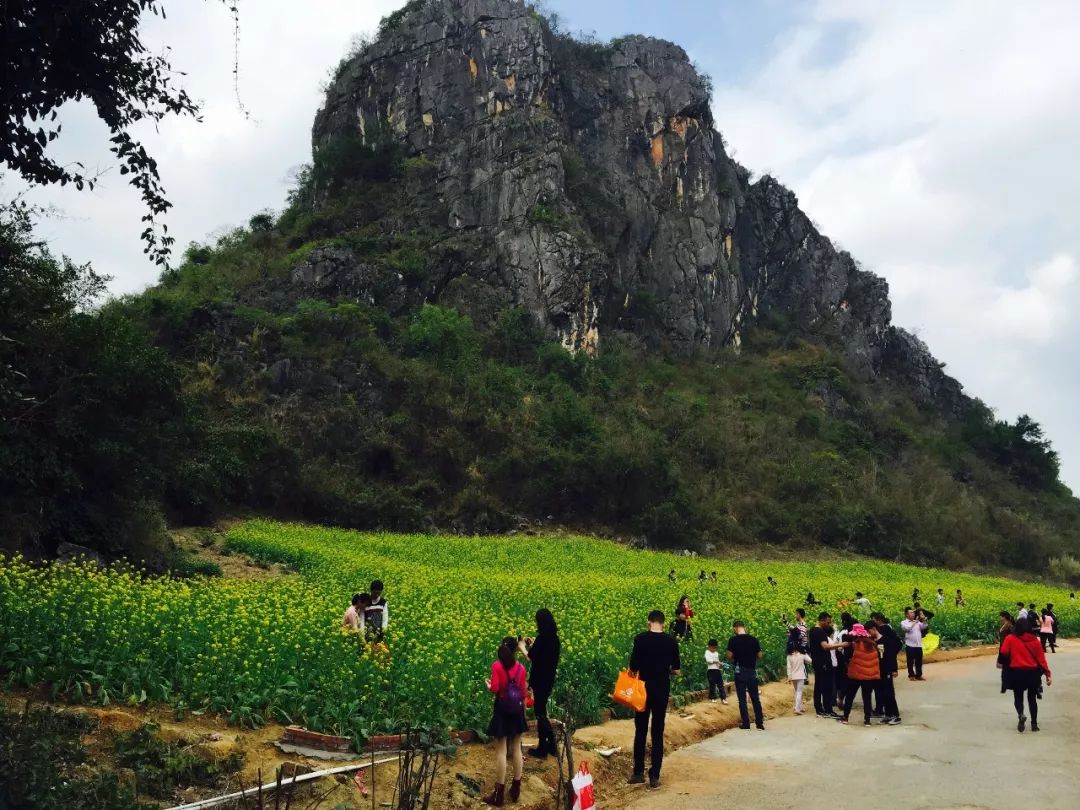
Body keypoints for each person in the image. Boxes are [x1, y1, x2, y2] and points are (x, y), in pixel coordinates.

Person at [628, 610, 681, 789]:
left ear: (648, 622)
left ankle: (638, 773)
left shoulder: (640, 639)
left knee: (640, 730)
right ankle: (655, 776)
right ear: (663, 623)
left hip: (642, 690)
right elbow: (676, 669)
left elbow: (633, 666)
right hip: (661, 690)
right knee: (657, 731)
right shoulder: (671, 641)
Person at [483, 637, 527, 806]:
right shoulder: (521, 668)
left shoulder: (497, 666)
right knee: (516, 748)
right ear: (516, 650)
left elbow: (495, 688)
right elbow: (523, 693)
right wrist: (524, 713)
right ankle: (516, 789)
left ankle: (498, 794)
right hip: (516, 712)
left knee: (501, 751)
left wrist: (489, 685)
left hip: (502, 711)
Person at [1000, 618, 1052, 732]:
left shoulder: (1010, 639)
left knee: (1018, 697)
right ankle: (1034, 724)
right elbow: (1041, 660)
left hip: (1016, 673)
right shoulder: (1035, 641)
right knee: (1032, 698)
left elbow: (1003, 653)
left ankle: (1021, 715)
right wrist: (1048, 674)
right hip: (1032, 674)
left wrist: (1004, 664)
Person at [520, 608, 560, 759]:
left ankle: (546, 746)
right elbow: (542, 654)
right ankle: (549, 745)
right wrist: (533, 643)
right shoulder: (554, 638)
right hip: (549, 679)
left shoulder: (543, 638)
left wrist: (523, 646)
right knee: (541, 711)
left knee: (540, 713)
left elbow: (531, 656)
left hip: (539, 680)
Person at [726, 621, 764, 730]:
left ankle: (746, 724)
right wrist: (751, 658)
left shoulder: (733, 640)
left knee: (742, 699)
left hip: (740, 671)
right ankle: (759, 723)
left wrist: (735, 657)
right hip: (751, 671)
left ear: (735, 628)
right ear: (744, 627)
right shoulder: (753, 639)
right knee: (755, 698)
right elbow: (760, 655)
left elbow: (729, 655)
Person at [839, 624, 878, 725]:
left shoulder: (853, 645)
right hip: (868, 676)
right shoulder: (872, 644)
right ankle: (867, 720)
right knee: (867, 698)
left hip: (855, 675)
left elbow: (847, 658)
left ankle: (845, 717)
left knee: (850, 696)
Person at [808, 612, 844, 718]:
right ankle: (828, 710)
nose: (829, 624)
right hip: (823, 663)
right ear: (822, 620)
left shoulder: (813, 630)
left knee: (818, 686)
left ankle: (819, 709)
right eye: (828, 622)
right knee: (827, 687)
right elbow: (825, 646)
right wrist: (841, 644)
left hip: (817, 662)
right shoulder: (820, 632)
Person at [870, 613, 902, 724]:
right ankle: (888, 715)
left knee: (889, 693)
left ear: (874, 629)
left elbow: (891, 655)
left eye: (870, 632)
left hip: (888, 669)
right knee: (882, 693)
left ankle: (895, 715)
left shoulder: (886, 640)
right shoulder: (875, 642)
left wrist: (894, 669)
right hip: (880, 670)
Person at [786, 627, 812, 715]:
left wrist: (789, 677)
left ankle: (799, 706)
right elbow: (810, 661)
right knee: (799, 692)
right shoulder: (802, 655)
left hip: (793, 676)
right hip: (801, 676)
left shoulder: (789, 656)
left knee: (797, 691)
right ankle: (797, 708)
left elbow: (788, 667)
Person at [833, 613, 855, 711]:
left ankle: (840, 697)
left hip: (842, 658)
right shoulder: (852, 631)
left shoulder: (843, 632)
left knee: (843, 679)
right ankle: (842, 698)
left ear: (843, 621)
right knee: (849, 680)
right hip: (852, 659)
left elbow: (838, 645)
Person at [900, 607, 929, 681]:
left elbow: (924, 627)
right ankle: (911, 675)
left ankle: (918, 675)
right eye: (911, 613)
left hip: (918, 645)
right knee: (910, 661)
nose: (913, 614)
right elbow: (907, 629)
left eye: (913, 612)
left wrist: (924, 621)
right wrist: (915, 622)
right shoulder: (904, 622)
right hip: (910, 645)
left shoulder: (918, 622)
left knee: (919, 661)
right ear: (906, 614)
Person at [705, 639, 728, 704]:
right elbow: (708, 660)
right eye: (713, 648)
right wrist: (716, 661)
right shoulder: (707, 652)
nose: (714, 649)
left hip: (717, 670)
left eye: (715, 648)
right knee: (712, 684)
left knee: (721, 684)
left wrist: (720, 665)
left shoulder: (716, 653)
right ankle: (712, 698)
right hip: (710, 671)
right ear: (709, 646)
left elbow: (717, 662)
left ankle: (723, 698)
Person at [997, 611, 1014, 694]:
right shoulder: (1003, 625)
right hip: (1002, 647)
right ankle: (1006, 684)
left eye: (1000, 616)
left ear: (1004, 617)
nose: (999, 618)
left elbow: (1013, 637)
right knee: (1005, 667)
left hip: (1008, 649)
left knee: (1007, 667)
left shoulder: (1009, 626)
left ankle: (1007, 685)